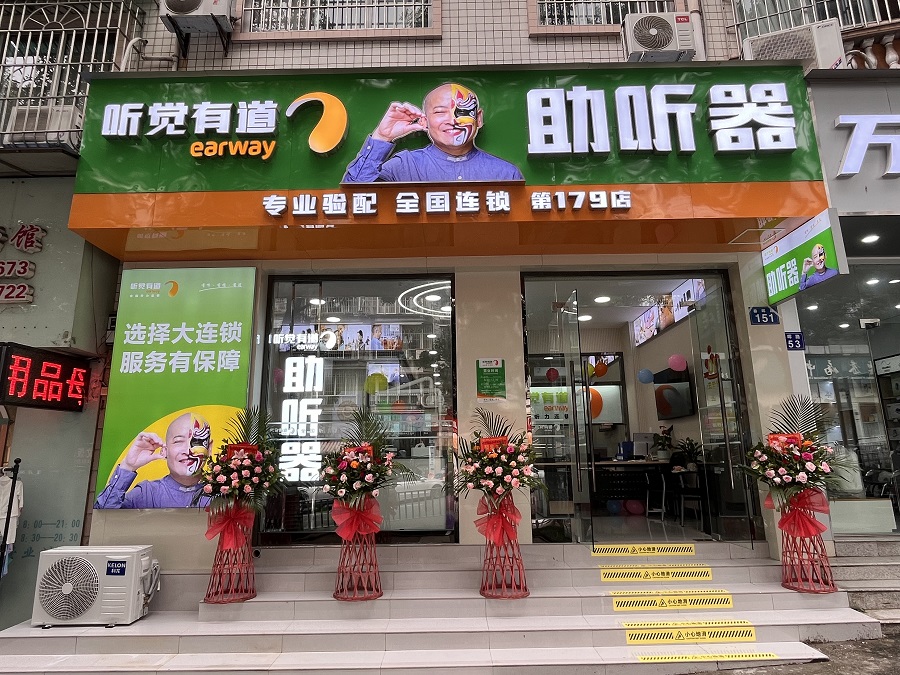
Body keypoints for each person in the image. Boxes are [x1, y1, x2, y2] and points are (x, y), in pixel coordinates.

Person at [342, 83, 524, 183]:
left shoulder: (506, 174)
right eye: (439, 112)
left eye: (462, 111)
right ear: (424, 121)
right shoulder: (404, 165)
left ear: (479, 118)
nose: (452, 120)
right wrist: (382, 137)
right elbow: (353, 199)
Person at [94, 412, 213, 509]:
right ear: (164, 450)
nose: (188, 450)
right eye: (178, 441)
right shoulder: (147, 493)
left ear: (209, 448)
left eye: (198, 442)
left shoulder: (220, 495)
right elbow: (103, 519)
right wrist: (128, 466)